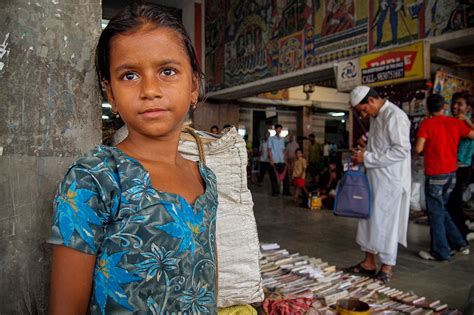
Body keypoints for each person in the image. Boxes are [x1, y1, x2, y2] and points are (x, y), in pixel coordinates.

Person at [48, 4, 218, 314]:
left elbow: (204, 280)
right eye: (129, 75)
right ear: (110, 94)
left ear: (193, 85)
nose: (150, 90)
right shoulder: (94, 178)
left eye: (167, 71)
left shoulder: (205, 178)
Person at [346, 86, 411, 284]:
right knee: (368, 219)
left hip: (391, 181)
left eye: (364, 110)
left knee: (387, 224)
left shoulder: (395, 116)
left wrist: (368, 157)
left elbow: (401, 151)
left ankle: (387, 266)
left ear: (372, 100)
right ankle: (368, 262)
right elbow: (380, 147)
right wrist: (363, 155)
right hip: (374, 178)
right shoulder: (376, 117)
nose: (364, 115)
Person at [415, 94, 474, 261]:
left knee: (436, 213)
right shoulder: (455, 122)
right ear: (444, 107)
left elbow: (419, 147)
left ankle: (440, 252)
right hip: (451, 174)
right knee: (440, 209)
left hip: (435, 174)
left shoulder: (427, 123)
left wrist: (414, 154)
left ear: (428, 108)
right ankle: (459, 242)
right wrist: (468, 122)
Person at [447, 92, 474, 243]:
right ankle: (460, 232)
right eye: (454, 103)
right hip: (452, 167)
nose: (455, 106)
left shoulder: (467, 123)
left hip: (462, 167)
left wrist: (467, 122)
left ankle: (460, 237)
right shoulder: (453, 121)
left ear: (468, 108)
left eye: (459, 104)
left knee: (454, 202)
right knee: (452, 203)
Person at [268, 124, 290, 196]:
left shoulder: (282, 139)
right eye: (278, 129)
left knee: (285, 176)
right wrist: (271, 159)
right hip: (274, 160)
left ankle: (286, 191)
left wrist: (286, 159)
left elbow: (283, 150)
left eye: (280, 129)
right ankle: (275, 191)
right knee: (274, 177)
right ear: (275, 129)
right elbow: (269, 150)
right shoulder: (271, 138)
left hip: (282, 160)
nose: (279, 130)